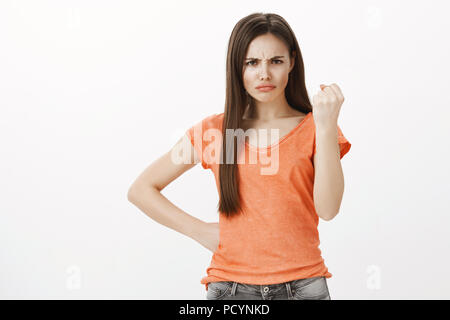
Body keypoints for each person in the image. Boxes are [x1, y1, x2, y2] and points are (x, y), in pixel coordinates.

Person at [127, 12, 351, 300]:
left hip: (304, 287)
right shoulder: (214, 132)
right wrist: (199, 231)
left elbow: (329, 209)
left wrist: (326, 125)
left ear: (292, 62)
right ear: (237, 67)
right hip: (230, 289)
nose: (264, 74)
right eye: (252, 63)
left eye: (276, 61)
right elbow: (141, 190)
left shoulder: (316, 128)